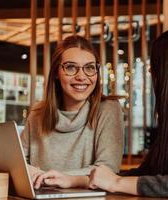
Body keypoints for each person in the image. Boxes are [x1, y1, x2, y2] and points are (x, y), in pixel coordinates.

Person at [37, 26, 168, 199]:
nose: (153, 73)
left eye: (156, 65)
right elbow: (146, 173)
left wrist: (116, 182)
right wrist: (76, 180)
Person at [20, 35, 124, 189]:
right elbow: (17, 162)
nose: (81, 77)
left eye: (89, 67)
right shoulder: (37, 113)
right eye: (70, 67)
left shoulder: (109, 109)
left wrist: (64, 178)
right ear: (56, 72)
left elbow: (108, 170)